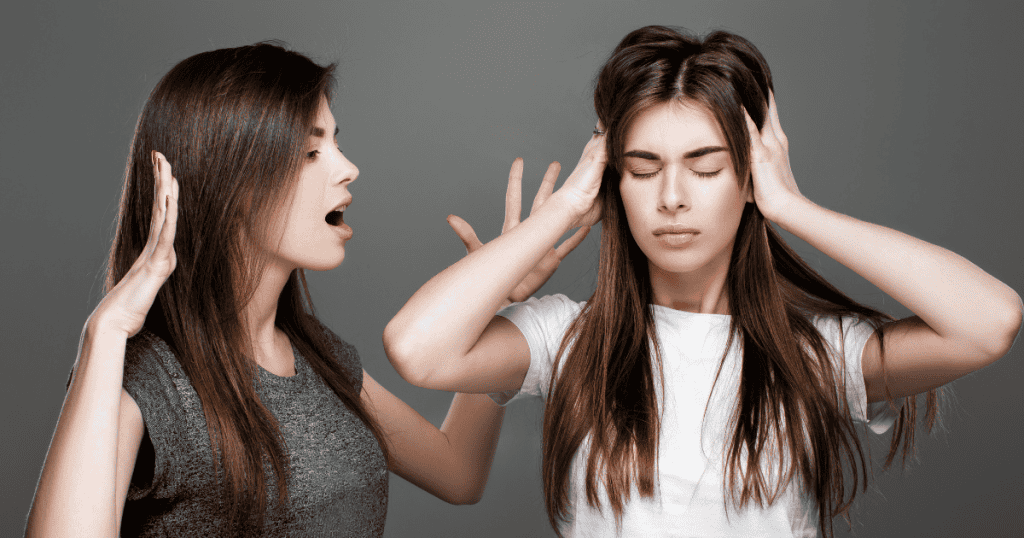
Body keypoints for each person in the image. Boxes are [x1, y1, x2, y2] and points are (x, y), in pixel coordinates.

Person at [384, 26, 1023, 537]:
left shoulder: (815, 354)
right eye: (641, 169)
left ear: (748, 178)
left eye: (706, 167)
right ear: (613, 184)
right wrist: (561, 211)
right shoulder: (565, 338)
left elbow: (989, 322)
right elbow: (417, 349)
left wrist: (793, 207)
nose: (671, 198)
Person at [25, 43, 565, 537]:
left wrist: (494, 302)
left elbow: (458, 472)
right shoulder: (152, 380)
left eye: (336, 142)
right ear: (230, 182)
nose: (348, 168)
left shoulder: (321, 359)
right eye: (311, 153)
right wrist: (106, 331)